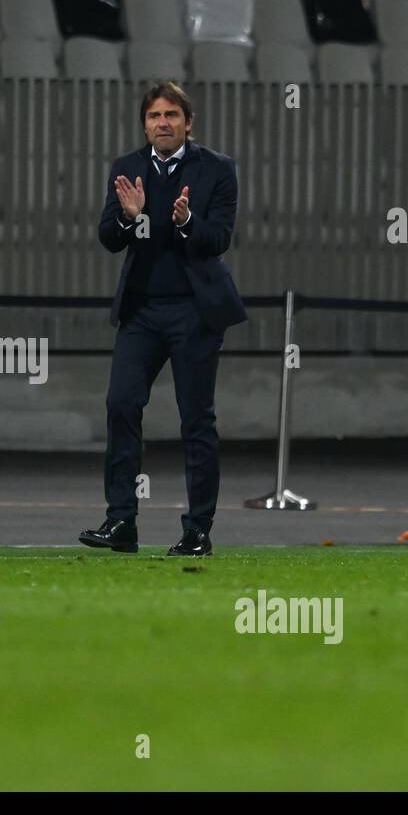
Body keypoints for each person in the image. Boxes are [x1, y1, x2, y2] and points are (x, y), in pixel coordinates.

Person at [80, 81, 247, 558]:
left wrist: (186, 222)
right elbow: (109, 237)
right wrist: (132, 218)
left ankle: (197, 530)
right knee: (121, 404)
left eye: (172, 115)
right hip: (142, 310)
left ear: (188, 122)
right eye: (154, 116)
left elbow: (218, 238)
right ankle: (121, 522)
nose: (163, 123)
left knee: (196, 420)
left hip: (195, 311)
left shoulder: (217, 169)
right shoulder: (127, 169)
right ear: (145, 124)